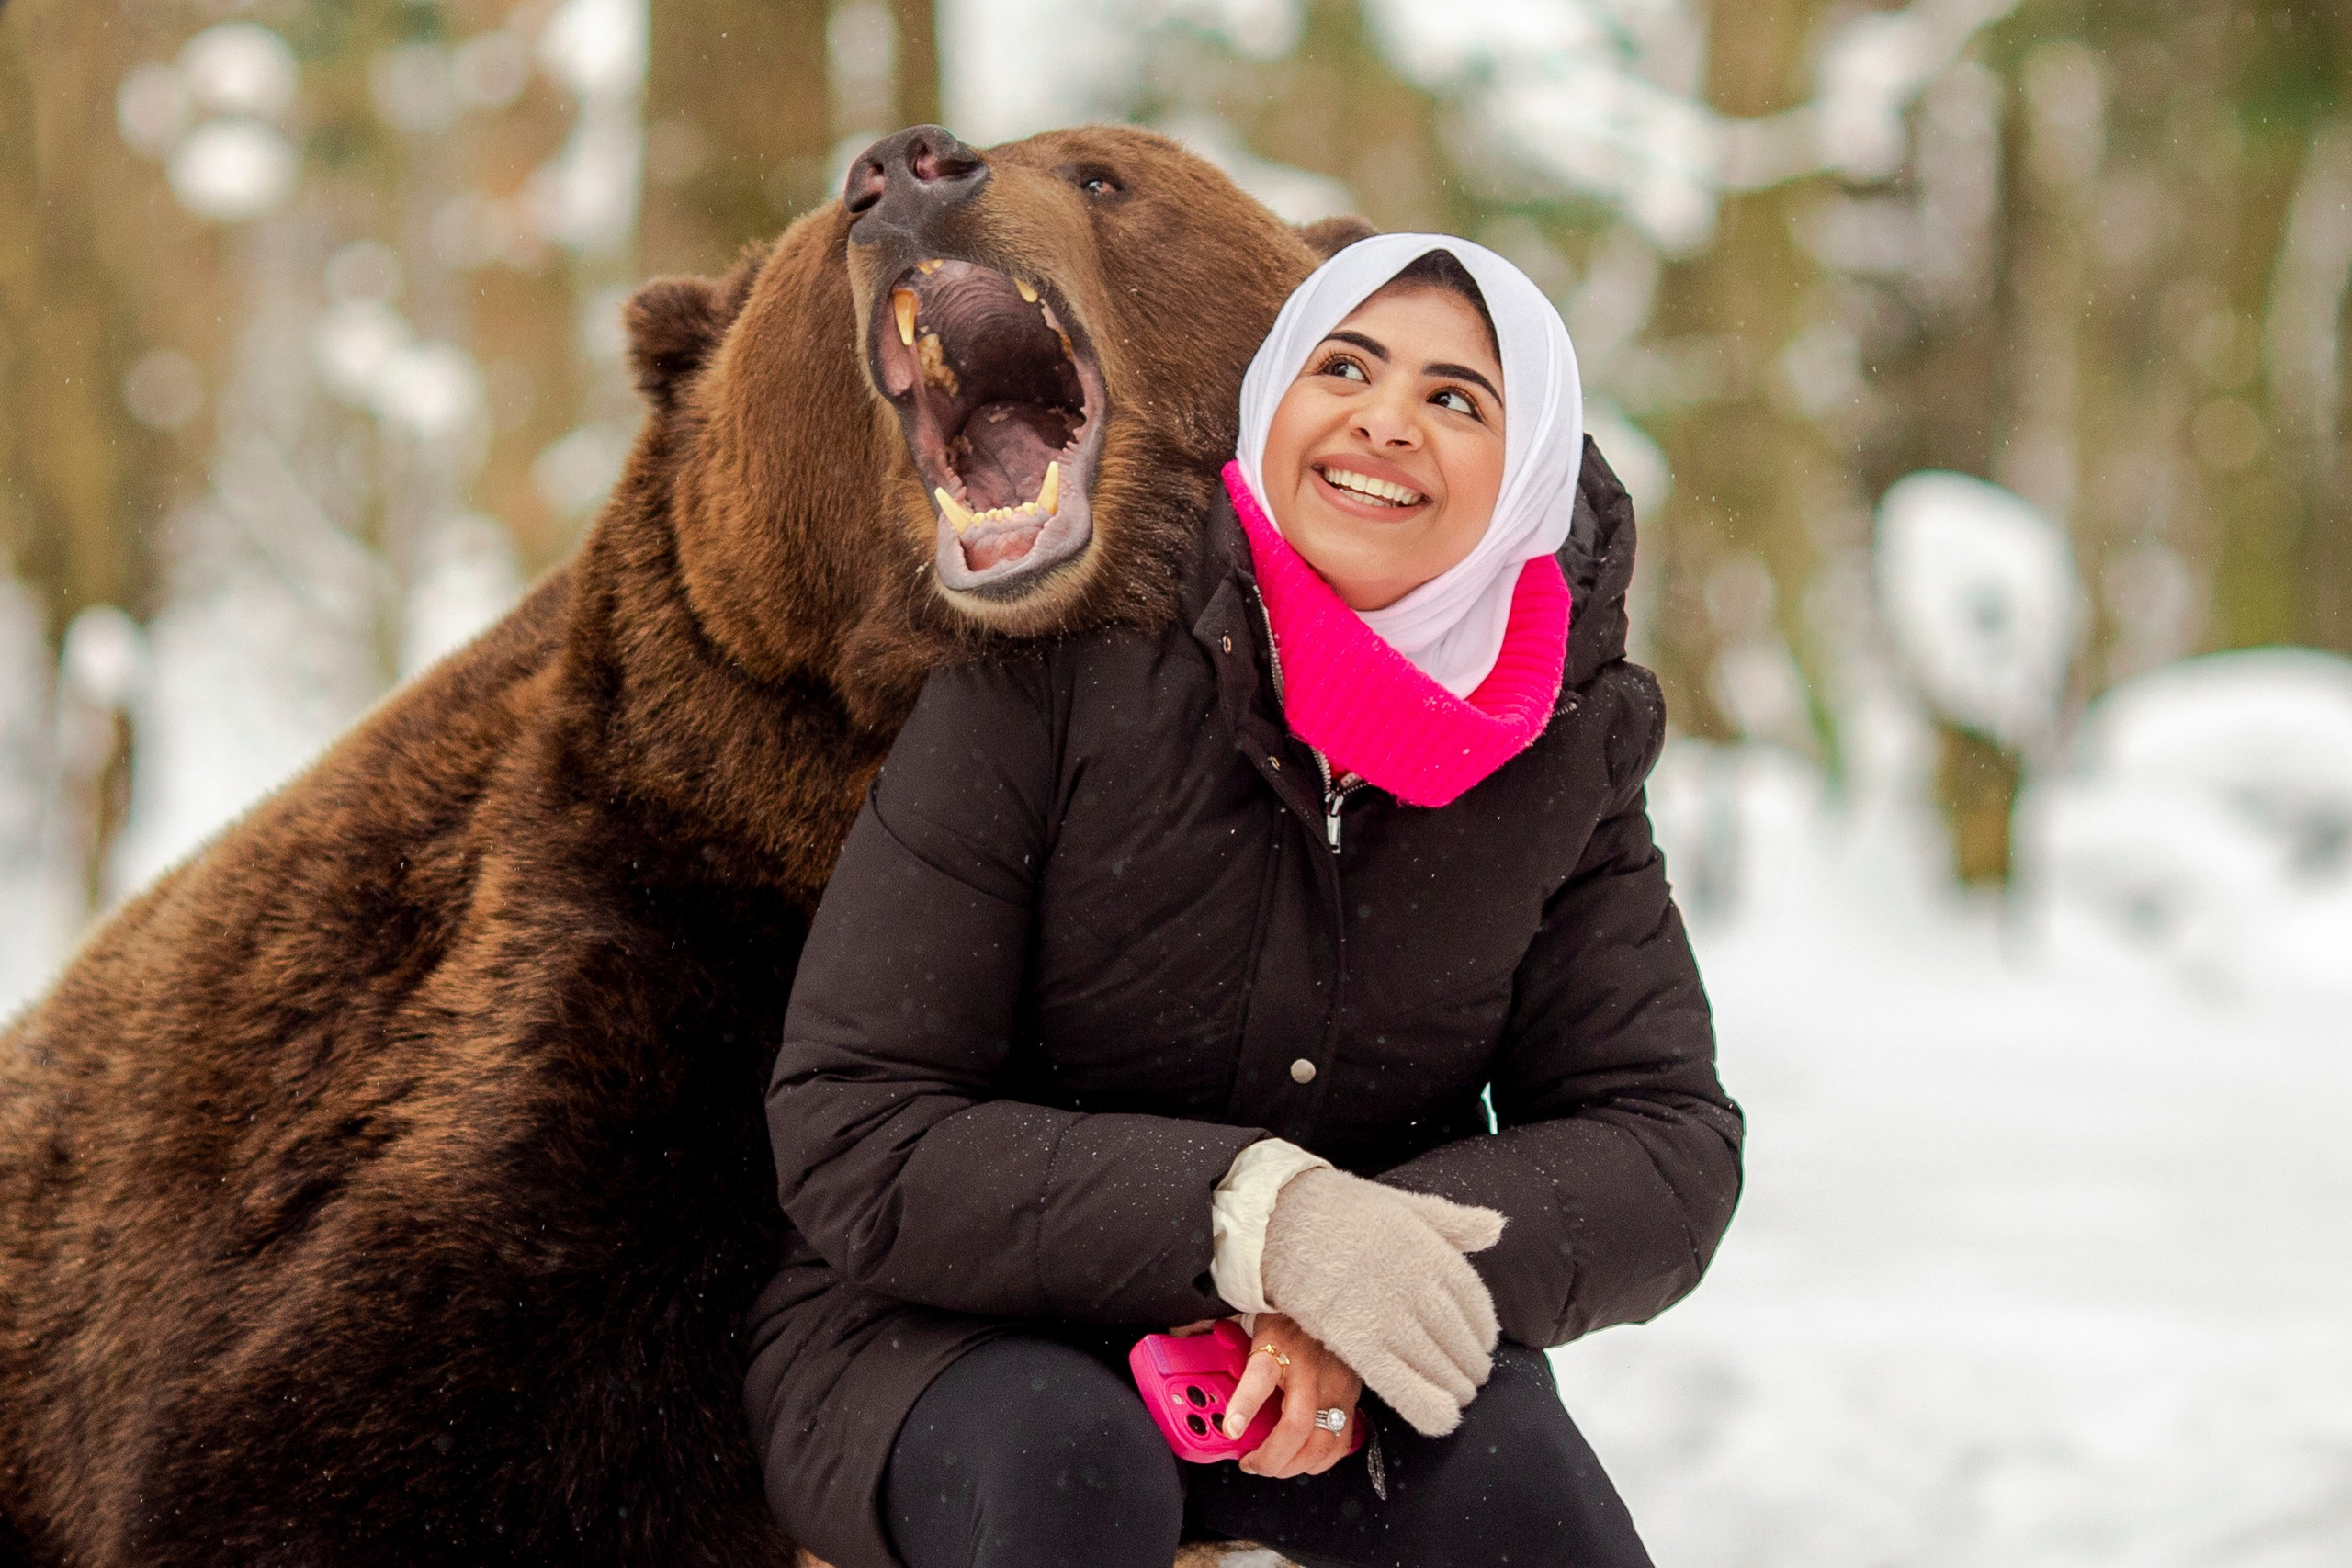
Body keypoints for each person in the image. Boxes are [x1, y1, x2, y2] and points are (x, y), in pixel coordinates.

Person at [744, 234, 1743, 1568]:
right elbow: (856, 1125)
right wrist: (1260, 1222)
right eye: (1347, 368)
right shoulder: (1053, 666)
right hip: (939, 1332)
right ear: (1272, 401)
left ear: (1528, 476)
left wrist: (1375, 1266)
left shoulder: (1559, 750)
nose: (1386, 421)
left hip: (1340, 1354)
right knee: (1071, 1474)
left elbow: (1666, 1144)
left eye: (1457, 399)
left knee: (1524, 1505)